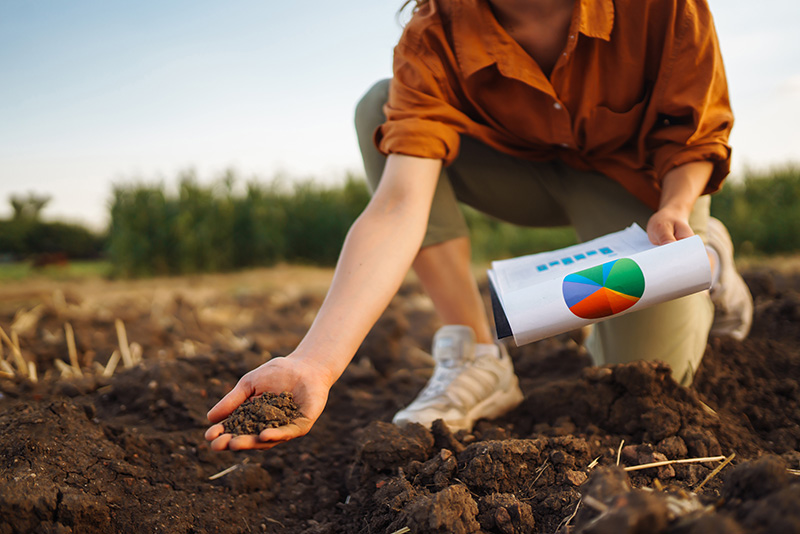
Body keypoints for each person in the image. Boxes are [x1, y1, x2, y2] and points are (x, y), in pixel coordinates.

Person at [205, 0, 753, 451]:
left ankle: (705, 253)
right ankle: (478, 357)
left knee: (643, 381)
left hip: (640, 188)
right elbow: (399, 206)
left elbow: (693, 131)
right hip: (515, 172)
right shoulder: (435, 34)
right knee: (379, 107)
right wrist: (314, 363)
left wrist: (676, 207)